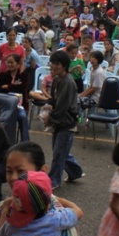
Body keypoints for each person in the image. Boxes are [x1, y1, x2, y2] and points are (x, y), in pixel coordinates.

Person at [46, 50, 84, 190]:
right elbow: (54, 100)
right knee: (61, 151)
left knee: (59, 153)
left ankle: (54, 181)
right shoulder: (57, 80)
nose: (54, 66)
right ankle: (75, 171)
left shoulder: (68, 82)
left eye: (57, 64)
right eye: (53, 63)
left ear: (64, 65)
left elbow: (62, 106)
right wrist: (47, 105)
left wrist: (50, 119)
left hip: (67, 122)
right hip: (59, 121)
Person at [0, 54, 30, 142]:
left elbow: (23, 89)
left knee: (22, 117)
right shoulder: (2, 75)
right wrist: (15, 87)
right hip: (4, 105)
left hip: (19, 106)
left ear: (18, 64)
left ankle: (25, 141)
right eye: (8, 62)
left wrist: (8, 86)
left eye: (12, 62)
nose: (9, 65)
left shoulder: (24, 76)